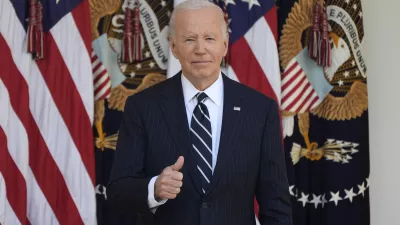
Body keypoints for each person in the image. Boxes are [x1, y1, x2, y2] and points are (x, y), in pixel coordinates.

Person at [107, 0, 292, 224]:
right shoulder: (142, 107)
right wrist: (153, 189)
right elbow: (118, 192)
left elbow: (276, 205)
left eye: (209, 38)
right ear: (173, 47)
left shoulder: (260, 110)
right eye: (189, 39)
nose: (200, 49)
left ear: (224, 45)